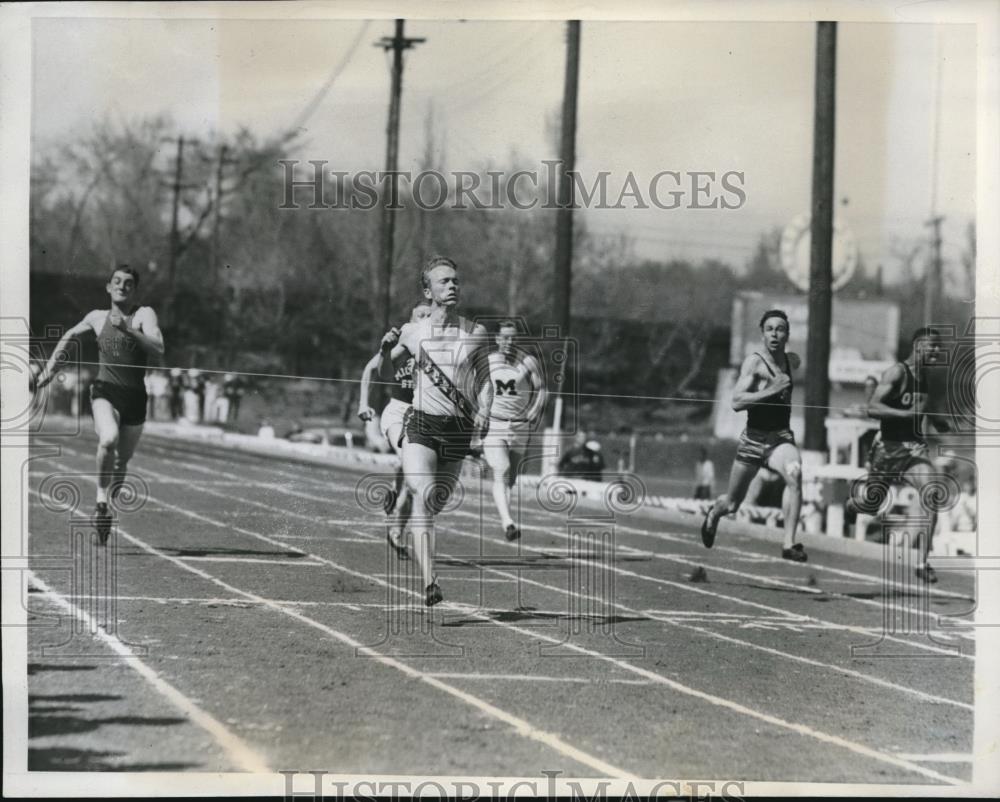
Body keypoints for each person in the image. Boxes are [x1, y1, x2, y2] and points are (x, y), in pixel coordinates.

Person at [382, 255, 490, 606]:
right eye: (444, 281)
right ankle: (431, 582)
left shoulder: (475, 333)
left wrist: (486, 408)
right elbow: (388, 365)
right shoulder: (414, 332)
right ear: (428, 290)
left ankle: (412, 532)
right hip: (423, 425)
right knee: (424, 494)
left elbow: (486, 378)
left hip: (458, 430)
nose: (453, 286)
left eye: (455, 280)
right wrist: (387, 348)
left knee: (436, 503)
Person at [36, 265, 164, 543]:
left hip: (135, 398)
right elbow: (69, 335)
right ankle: (101, 503)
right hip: (105, 390)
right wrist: (49, 370)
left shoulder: (144, 314)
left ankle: (106, 513)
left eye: (128, 283)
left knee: (122, 463)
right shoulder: (96, 317)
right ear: (108, 287)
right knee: (108, 439)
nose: (121, 286)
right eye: (116, 282)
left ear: (135, 290)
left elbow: (158, 348)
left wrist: (128, 331)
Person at [700, 309, 806, 562]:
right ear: (762, 334)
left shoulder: (791, 361)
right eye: (769, 329)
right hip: (753, 441)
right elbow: (736, 402)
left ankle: (789, 543)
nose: (775, 334)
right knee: (733, 504)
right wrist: (772, 389)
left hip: (780, 439)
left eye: (780, 329)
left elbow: (797, 361)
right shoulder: (754, 363)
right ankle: (715, 513)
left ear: (787, 334)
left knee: (795, 474)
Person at [854, 327, 951, 583]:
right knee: (869, 505)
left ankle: (922, 562)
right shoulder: (897, 372)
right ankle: (848, 503)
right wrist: (903, 416)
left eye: (939, 347)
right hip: (888, 450)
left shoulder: (925, 376)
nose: (937, 352)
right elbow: (872, 408)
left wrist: (938, 421)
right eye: (933, 347)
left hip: (913, 450)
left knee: (932, 492)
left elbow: (921, 404)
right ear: (918, 345)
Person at [358, 301, 434, 558]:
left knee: (415, 479)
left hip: (424, 415)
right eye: (419, 315)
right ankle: (395, 509)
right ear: (411, 318)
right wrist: (363, 403)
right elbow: (372, 369)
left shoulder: (437, 343)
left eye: (429, 315)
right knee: (412, 468)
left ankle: (395, 527)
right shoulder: (403, 338)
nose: (424, 318)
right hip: (398, 412)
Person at [478, 321, 548, 541]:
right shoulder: (488, 362)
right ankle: (508, 522)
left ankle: (506, 517)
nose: (509, 342)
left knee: (511, 479)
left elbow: (542, 389)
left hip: (519, 425)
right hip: (495, 424)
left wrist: (534, 411)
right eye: (505, 337)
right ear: (497, 339)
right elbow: (477, 388)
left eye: (513, 338)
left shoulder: (528, 362)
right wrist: (481, 411)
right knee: (502, 468)